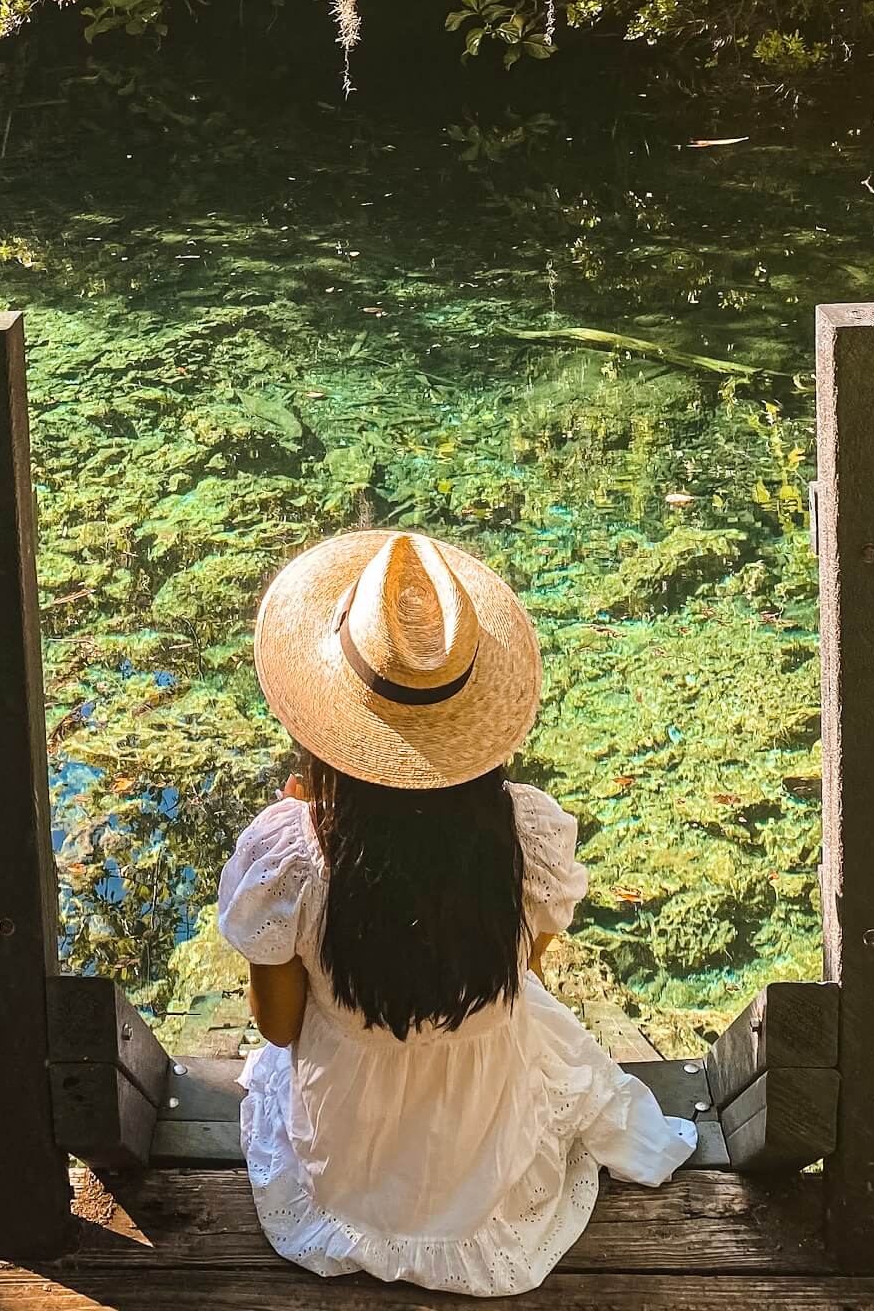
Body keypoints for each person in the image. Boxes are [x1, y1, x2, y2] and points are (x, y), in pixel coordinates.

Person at [216, 529, 696, 1297]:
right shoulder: (526, 835)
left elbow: (277, 1027)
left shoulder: (292, 856)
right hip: (483, 1146)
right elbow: (521, 975)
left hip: (348, 1157)